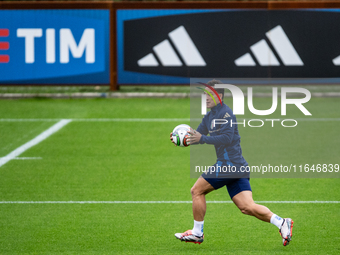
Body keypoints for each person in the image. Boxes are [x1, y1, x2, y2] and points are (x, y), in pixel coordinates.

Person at [170, 79, 293, 246]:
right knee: (247, 207)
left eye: (209, 94)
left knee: (196, 191)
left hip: (229, 165)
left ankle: (197, 233)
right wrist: (182, 136)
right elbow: (198, 135)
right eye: (204, 94)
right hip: (237, 166)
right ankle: (281, 222)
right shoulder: (210, 116)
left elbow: (226, 138)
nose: (205, 97)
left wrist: (202, 138)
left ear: (219, 96)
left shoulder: (226, 114)